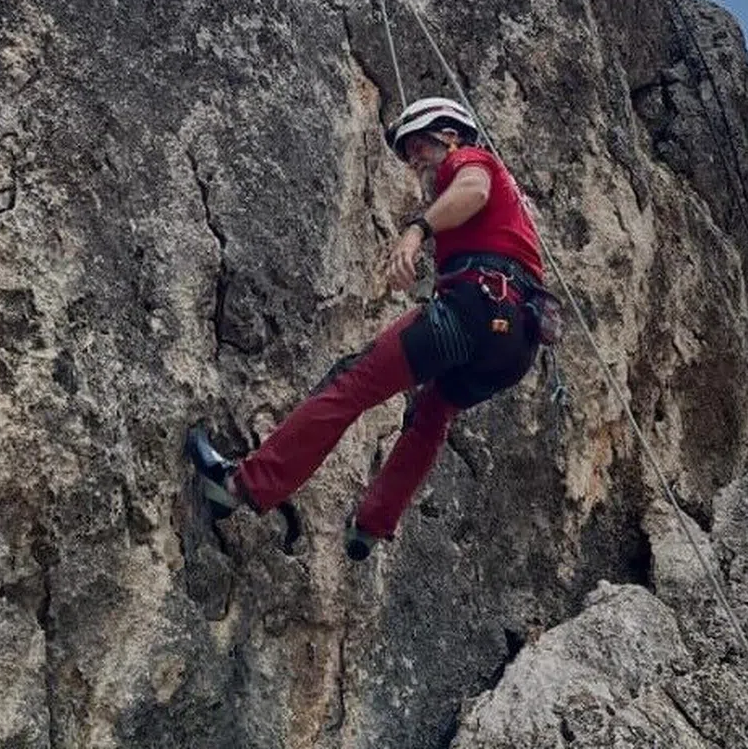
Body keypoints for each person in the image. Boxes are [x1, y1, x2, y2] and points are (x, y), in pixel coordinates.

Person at [186, 96, 550, 560]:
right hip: (516, 346)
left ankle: (242, 485)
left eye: (419, 146)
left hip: (478, 306)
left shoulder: (471, 159)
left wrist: (416, 230)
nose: (414, 160)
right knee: (431, 414)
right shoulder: (510, 204)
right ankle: (372, 525)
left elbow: (474, 189)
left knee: (354, 380)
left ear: (450, 136)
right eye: (408, 154)